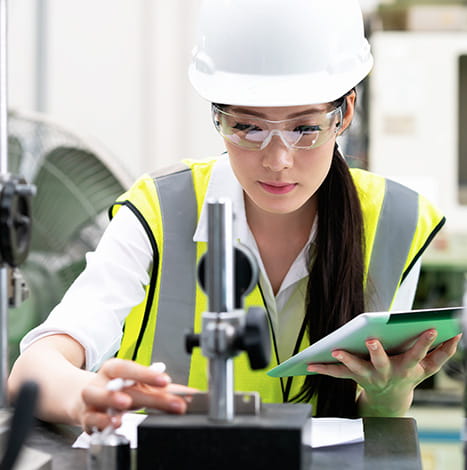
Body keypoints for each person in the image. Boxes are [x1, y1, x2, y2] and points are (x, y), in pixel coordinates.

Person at [8, 0, 461, 433]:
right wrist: (87, 394)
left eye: (305, 127)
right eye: (248, 127)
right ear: (218, 117)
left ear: (344, 114)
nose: (278, 159)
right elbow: (35, 368)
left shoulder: (397, 220)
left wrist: (389, 394)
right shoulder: (158, 211)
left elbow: (372, 422)